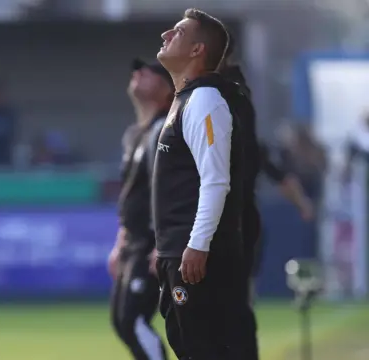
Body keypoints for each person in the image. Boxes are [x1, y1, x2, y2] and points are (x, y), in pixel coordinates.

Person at [148, 8, 248, 359]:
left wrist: (197, 244)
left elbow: (216, 181)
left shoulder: (205, 101)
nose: (165, 35)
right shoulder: (184, 100)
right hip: (176, 253)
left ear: (197, 50)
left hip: (196, 258)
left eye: (177, 31)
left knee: (203, 349)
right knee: (188, 346)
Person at [221, 46, 314, 360]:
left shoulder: (250, 143)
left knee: (240, 299)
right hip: (211, 226)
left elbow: (282, 177)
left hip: (241, 225)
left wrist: (302, 204)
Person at [108, 59, 173, 360]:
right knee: (122, 321)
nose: (138, 73)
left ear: (167, 89)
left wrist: (163, 242)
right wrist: (121, 242)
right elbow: (132, 195)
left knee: (133, 320)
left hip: (152, 241)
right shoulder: (136, 134)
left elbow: (170, 191)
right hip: (134, 242)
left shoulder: (167, 131)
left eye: (148, 72)